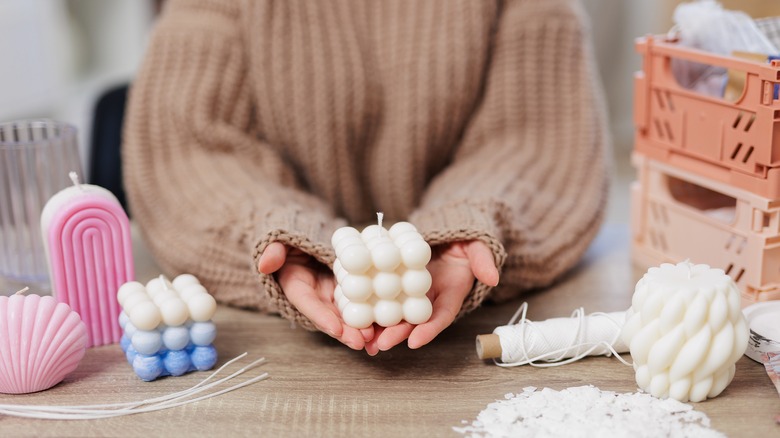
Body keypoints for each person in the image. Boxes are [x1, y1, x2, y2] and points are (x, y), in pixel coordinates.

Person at [123, 0, 610, 356]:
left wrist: (469, 220)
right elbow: (186, 149)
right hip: (282, 355)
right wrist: (277, 230)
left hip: (461, 348)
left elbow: (540, 136)